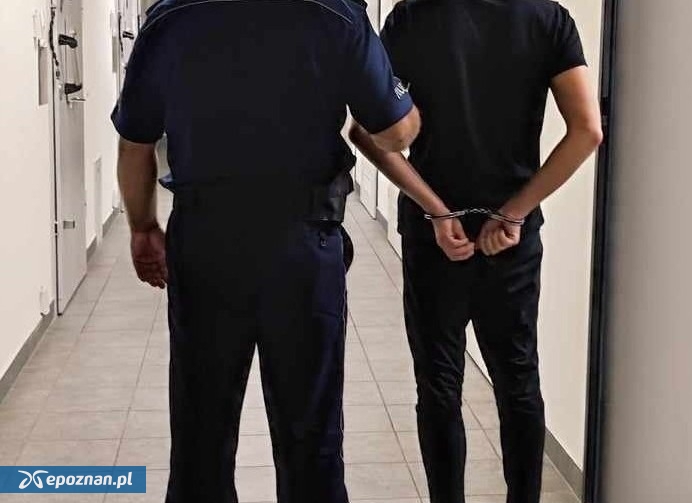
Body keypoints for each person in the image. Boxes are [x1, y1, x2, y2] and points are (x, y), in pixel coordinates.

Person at [112, 0, 460, 502]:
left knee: (200, 435)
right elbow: (394, 132)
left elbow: (134, 143)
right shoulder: (337, 14)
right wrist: (404, 102)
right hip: (302, 246)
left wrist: (143, 226)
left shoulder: (171, 16)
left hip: (205, 245)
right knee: (311, 439)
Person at [349, 1, 603, 502]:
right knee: (518, 383)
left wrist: (437, 211)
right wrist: (514, 213)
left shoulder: (410, 17)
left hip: (433, 238)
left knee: (438, 387)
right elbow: (587, 131)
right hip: (509, 240)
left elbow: (366, 132)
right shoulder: (547, 18)